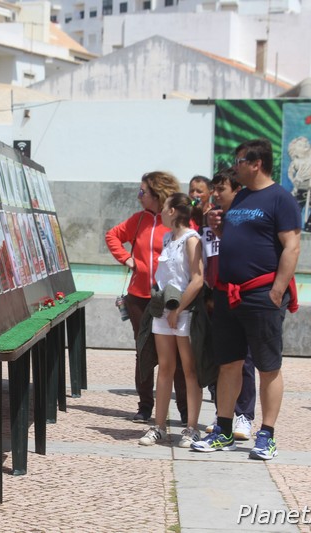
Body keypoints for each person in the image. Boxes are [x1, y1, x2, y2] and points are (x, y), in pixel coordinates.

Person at [191, 139, 301, 460]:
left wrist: (277, 291)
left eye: (240, 161)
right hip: (228, 293)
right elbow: (237, 239)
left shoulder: (281, 199)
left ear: (256, 164)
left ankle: (266, 435)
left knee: (268, 367)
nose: (235, 166)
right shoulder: (240, 198)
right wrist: (218, 229)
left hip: (261, 294)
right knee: (229, 364)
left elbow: (292, 246)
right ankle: (224, 430)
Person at [106, 171, 188, 424]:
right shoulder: (138, 219)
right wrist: (127, 259)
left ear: (157, 194)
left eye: (143, 192)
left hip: (171, 298)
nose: (139, 196)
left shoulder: (177, 220)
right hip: (139, 298)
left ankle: (185, 410)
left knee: (177, 356)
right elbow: (112, 236)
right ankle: (144, 407)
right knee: (143, 352)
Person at [138, 193, 204, 447]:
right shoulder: (168, 238)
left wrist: (179, 309)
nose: (161, 212)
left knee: (189, 369)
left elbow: (197, 279)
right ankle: (159, 426)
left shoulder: (191, 239)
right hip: (163, 310)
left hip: (184, 312)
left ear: (173, 211)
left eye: (164, 207)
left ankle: (191, 428)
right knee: (165, 367)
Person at [202, 168, 257, 441]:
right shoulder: (209, 218)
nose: (215, 195)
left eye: (221, 189)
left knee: (244, 360)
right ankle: (222, 413)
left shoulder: (248, 219)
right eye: (213, 189)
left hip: (243, 296)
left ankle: (244, 415)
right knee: (221, 360)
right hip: (214, 296)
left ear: (237, 190)